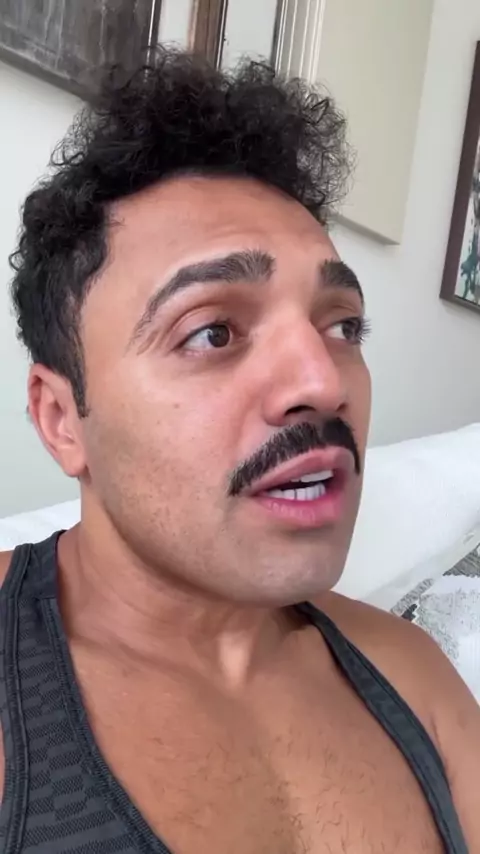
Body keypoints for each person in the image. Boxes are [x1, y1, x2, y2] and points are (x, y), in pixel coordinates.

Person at [0, 48, 478, 854]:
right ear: (61, 420)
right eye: (213, 332)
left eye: (342, 326)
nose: (322, 382)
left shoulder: (411, 676)